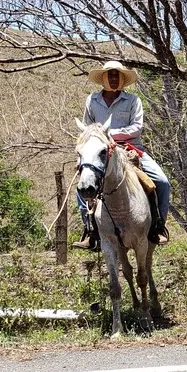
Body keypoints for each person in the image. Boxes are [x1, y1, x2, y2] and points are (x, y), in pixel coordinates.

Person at [72, 60, 171, 250]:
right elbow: (86, 129)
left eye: (118, 75)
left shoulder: (133, 101)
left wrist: (109, 135)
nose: (114, 78)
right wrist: (92, 145)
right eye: (111, 75)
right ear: (103, 78)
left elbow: (137, 128)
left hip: (131, 148)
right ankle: (90, 231)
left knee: (162, 181)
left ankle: (158, 227)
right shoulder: (92, 101)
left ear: (123, 79)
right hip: (99, 152)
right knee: (81, 186)